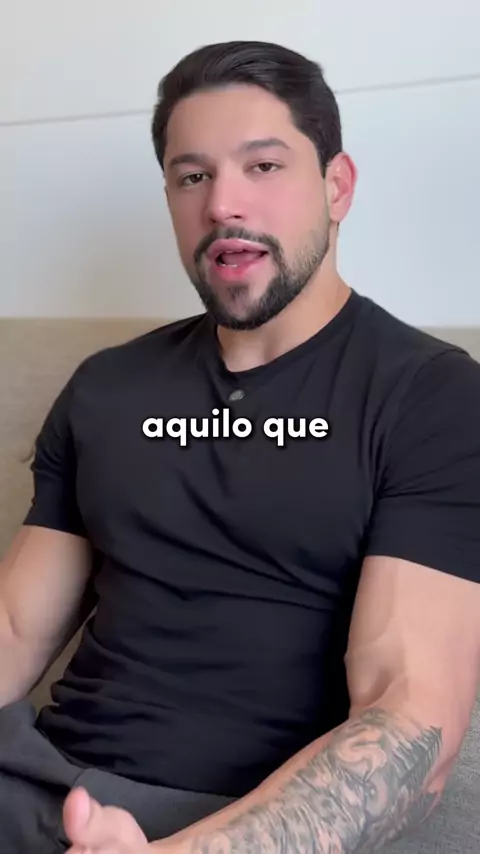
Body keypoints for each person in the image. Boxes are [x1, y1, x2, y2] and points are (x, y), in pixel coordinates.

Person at [0, 39, 479, 854]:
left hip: (233, 825)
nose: (223, 203)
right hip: (37, 783)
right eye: (192, 176)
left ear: (337, 185)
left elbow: (409, 722)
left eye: (263, 166)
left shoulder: (432, 396)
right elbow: (16, 629)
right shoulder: (107, 386)